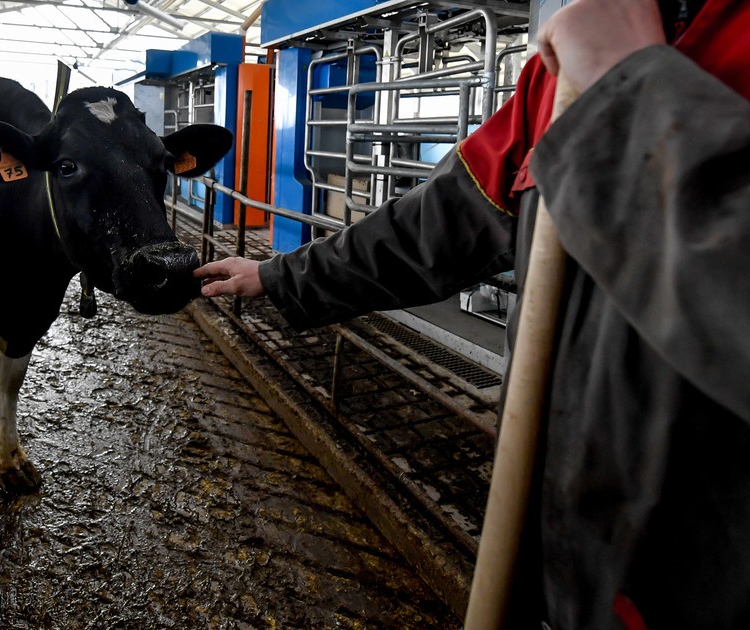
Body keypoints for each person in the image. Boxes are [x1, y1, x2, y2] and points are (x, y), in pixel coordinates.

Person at [194, 0, 750, 627]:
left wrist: (628, 91)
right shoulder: (561, 72)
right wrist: (277, 274)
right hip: (556, 556)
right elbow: (436, 222)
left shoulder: (604, 58)